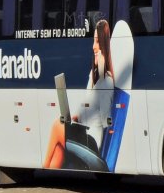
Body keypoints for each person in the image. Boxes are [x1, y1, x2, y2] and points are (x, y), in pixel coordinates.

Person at [44, 20, 115, 169]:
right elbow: (87, 106)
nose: (93, 47)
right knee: (58, 150)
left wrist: (102, 72)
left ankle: (44, 167)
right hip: (83, 132)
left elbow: (105, 120)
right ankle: (49, 175)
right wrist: (77, 117)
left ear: (104, 45)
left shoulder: (106, 80)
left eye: (97, 42)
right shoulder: (93, 75)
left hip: (92, 140)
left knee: (58, 125)